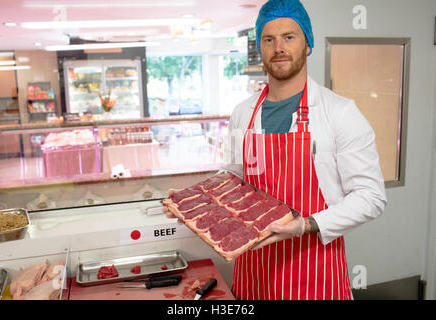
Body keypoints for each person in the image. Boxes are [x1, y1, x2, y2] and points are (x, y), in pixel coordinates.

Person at [165, 0, 387, 300]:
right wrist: (196, 204)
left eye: (289, 37)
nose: (278, 47)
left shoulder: (340, 113)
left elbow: (371, 197)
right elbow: (232, 176)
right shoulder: (243, 113)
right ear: (260, 48)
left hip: (315, 273)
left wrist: (304, 225)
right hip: (253, 272)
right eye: (268, 39)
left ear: (307, 43)